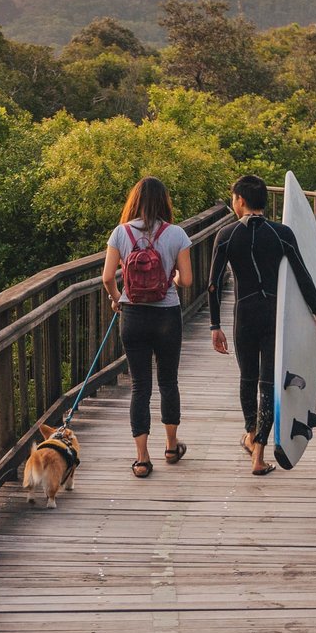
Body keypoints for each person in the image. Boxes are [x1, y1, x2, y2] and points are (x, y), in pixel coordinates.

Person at [208, 173, 316, 475]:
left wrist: (214, 325)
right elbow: (302, 274)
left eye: (234, 198)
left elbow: (213, 286)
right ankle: (258, 452)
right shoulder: (282, 233)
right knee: (269, 384)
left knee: (248, 379)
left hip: (244, 315)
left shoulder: (226, 235)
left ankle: (250, 433)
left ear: (241, 201)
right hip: (274, 316)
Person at [102, 176, 197, 478]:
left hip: (133, 316)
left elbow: (107, 277)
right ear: (164, 202)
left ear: (135, 201)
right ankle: (171, 447)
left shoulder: (120, 233)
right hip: (166, 314)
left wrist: (117, 299)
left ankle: (142, 459)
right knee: (168, 382)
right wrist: (173, 280)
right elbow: (187, 279)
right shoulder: (176, 234)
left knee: (140, 387)